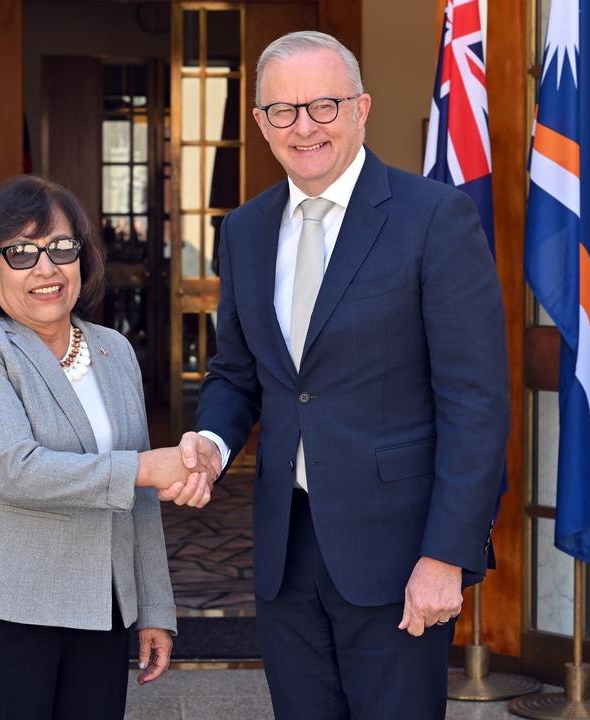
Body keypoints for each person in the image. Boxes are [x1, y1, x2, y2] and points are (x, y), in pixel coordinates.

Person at [180, 31, 510, 719]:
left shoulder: (433, 218)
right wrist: (210, 446)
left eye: (324, 105)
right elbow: (238, 374)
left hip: (399, 555)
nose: (305, 126)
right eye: (284, 110)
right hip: (283, 551)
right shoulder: (243, 230)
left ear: (362, 108)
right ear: (260, 123)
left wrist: (447, 556)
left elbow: (474, 404)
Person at [0, 175, 216, 719]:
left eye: (60, 247)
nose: (46, 268)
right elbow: (16, 469)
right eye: (21, 253)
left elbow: (139, 499)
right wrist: (148, 468)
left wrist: (153, 607)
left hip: (97, 617)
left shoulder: (113, 350)